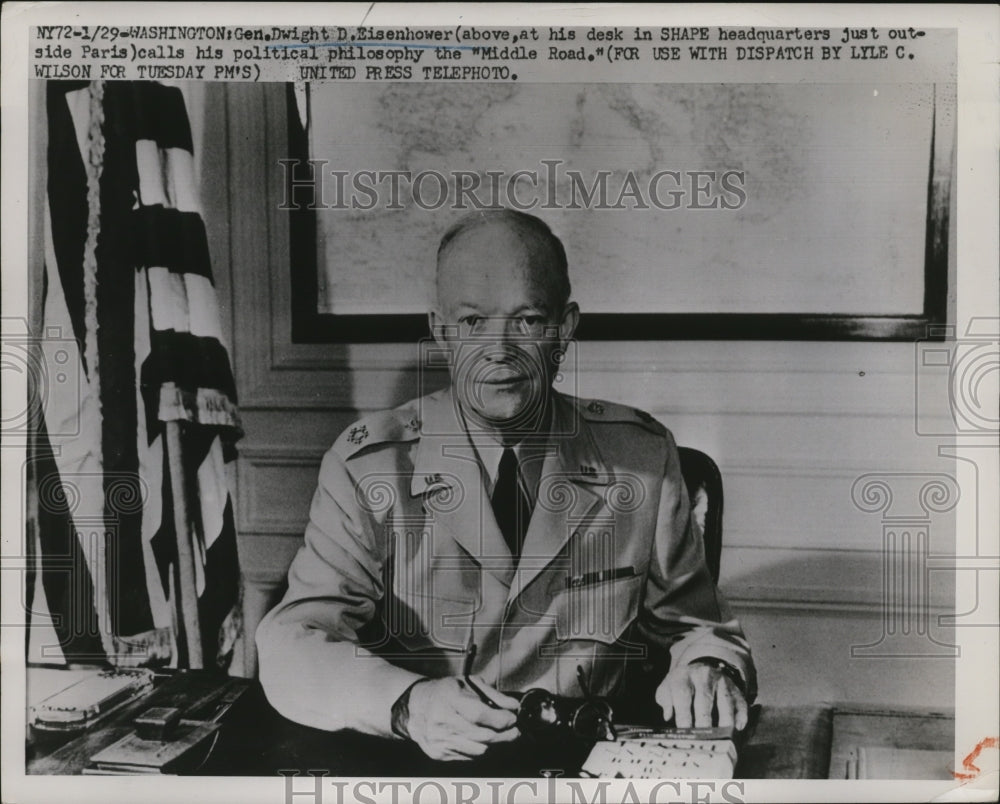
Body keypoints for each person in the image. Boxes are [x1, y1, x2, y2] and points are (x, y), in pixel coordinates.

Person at [256, 209, 755, 762]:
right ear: (441, 331)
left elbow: (700, 629)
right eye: (472, 322)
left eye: (527, 319)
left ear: (565, 329)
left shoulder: (640, 460)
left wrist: (708, 668)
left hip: (583, 768)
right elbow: (293, 641)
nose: (500, 349)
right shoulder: (369, 468)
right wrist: (406, 705)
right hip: (422, 769)